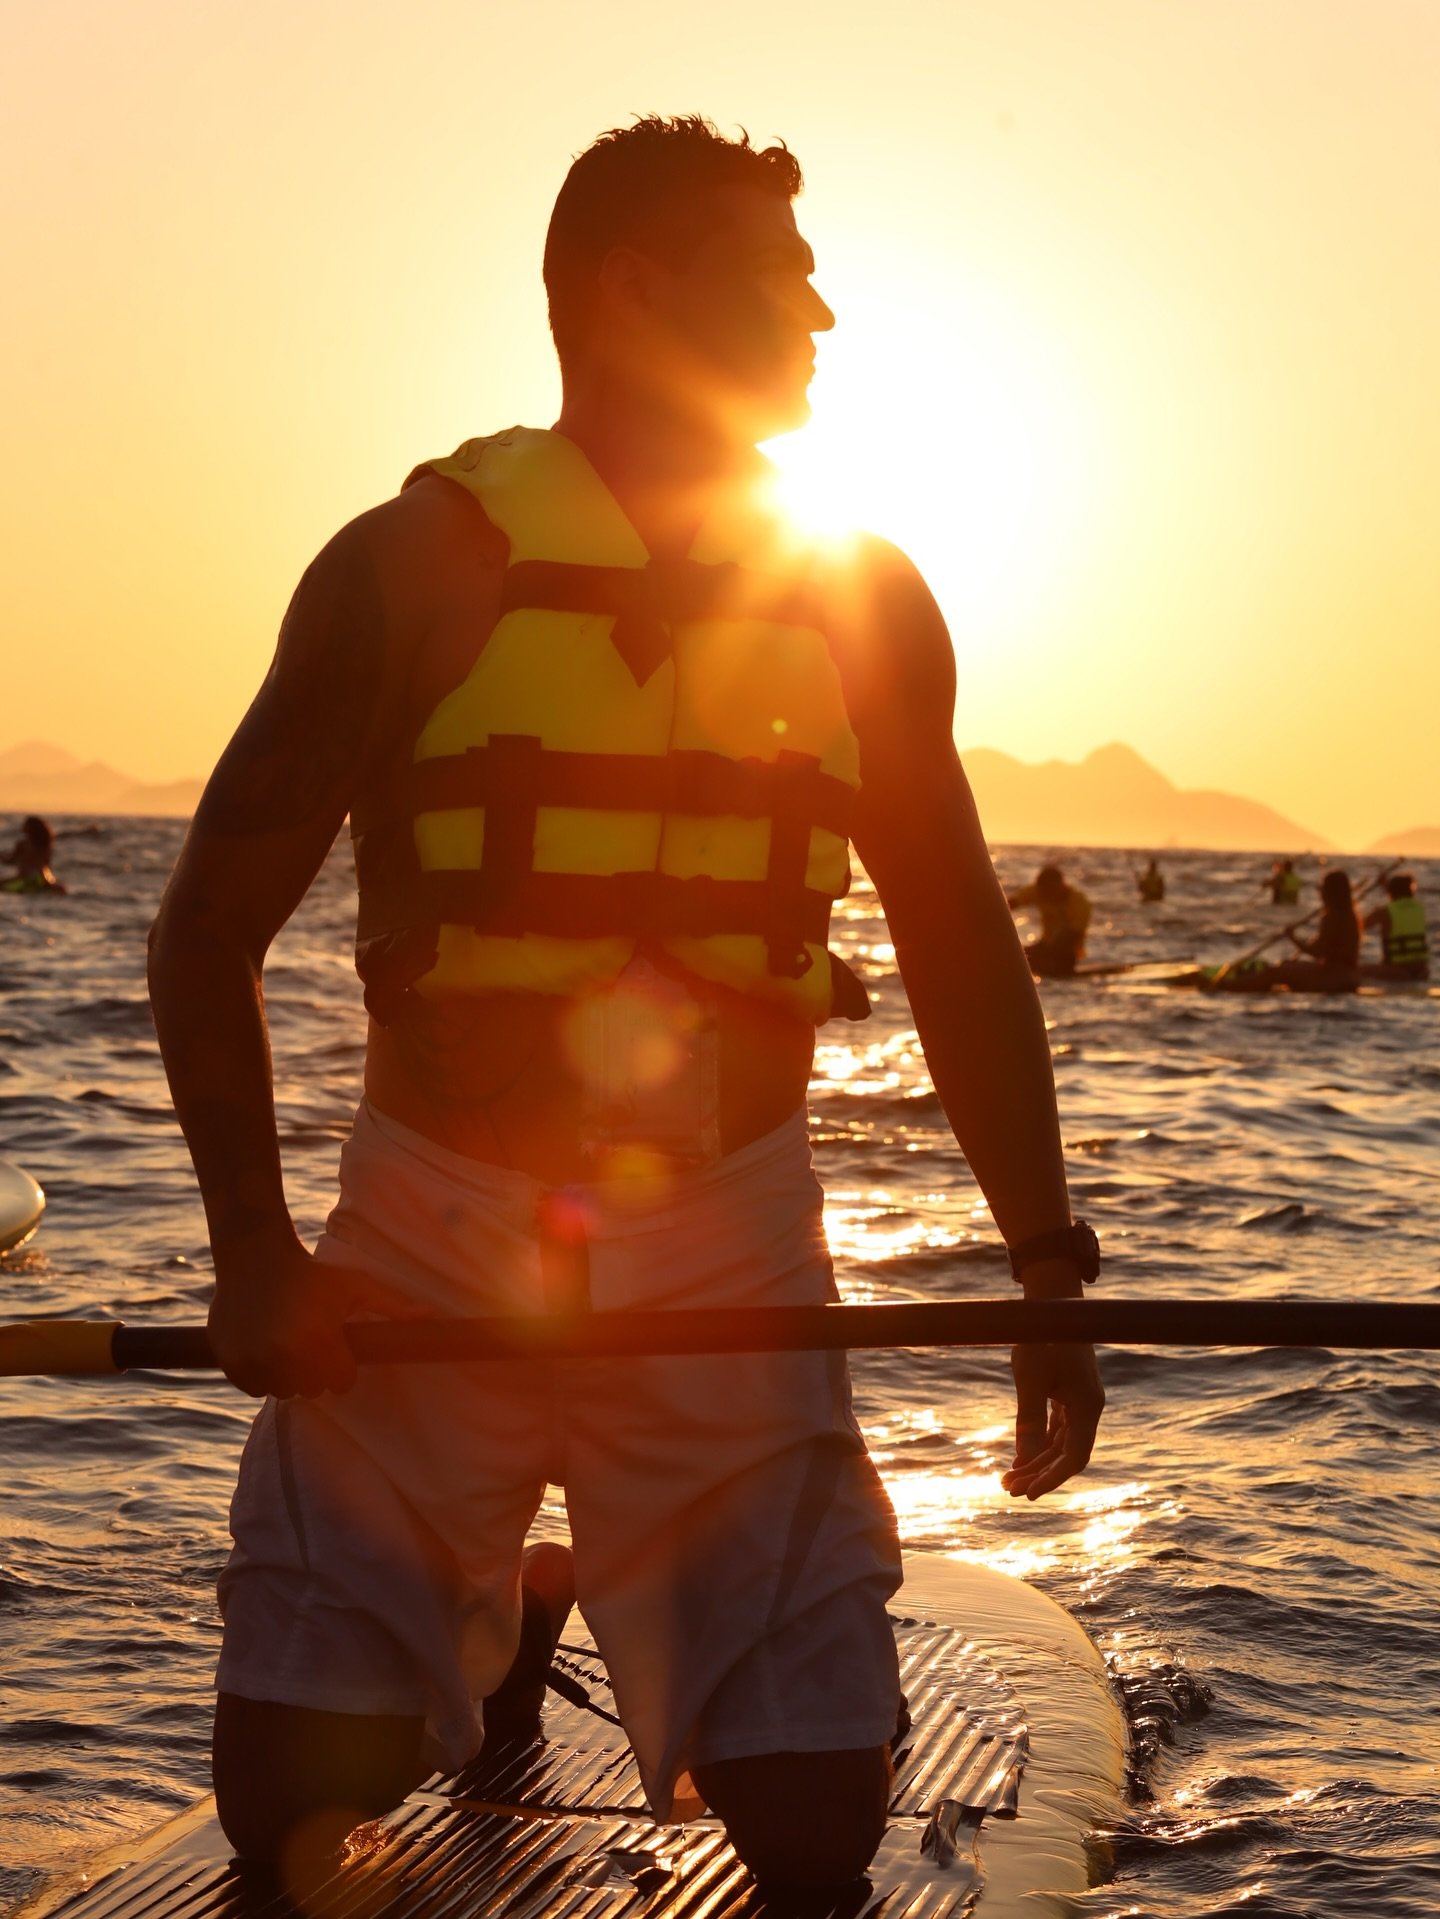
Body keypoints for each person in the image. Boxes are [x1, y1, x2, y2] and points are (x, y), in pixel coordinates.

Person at [147, 116, 1104, 1898]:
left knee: (814, 1810)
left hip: (728, 1239)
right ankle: (465, 1642)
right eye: (776, 268)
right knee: (295, 1770)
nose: (821, 308)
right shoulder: (411, 568)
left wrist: (1048, 1265)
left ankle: (573, 1636)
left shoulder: (864, 598)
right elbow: (205, 928)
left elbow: (961, 947)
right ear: (634, 289)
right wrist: (257, 1252)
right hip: (433, 1232)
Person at [1005, 864, 1093, 977]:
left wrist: (1045, 955)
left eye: (1049, 890)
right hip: (1045, 945)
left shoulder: (1079, 903)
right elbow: (1011, 904)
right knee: (1015, 958)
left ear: (1060, 885)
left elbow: (1073, 934)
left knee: (1042, 955)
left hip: (1067, 952)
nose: (1045, 894)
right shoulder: (1040, 891)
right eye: (1043, 890)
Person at [1362, 873, 1429, 981]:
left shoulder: (1385, 912)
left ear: (1391, 892)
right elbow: (1400, 899)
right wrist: (1385, 885)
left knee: (1359, 970)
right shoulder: (1419, 908)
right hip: (1422, 972)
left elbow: (1358, 926)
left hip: (1397, 971)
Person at [2, 815, 66, 894]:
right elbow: (47, 864)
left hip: (24, 880)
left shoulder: (22, 844)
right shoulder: (46, 846)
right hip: (42, 878)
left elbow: (10, 860)